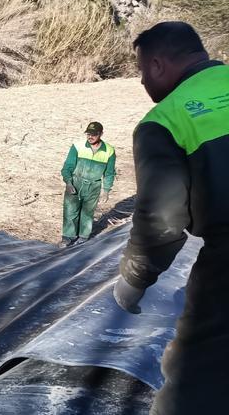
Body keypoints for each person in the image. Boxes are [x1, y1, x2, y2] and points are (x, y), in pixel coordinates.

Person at [112, 21, 229, 414]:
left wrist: (134, 279)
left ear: (159, 65)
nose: (143, 81)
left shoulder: (165, 119)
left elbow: (162, 219)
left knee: (196, 377)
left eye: (142, 71)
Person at [59, 121, 116, 248]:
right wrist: (68, 182)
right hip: (75, 182)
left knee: (87, 212)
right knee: (70, 211)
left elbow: (110, 173)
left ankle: (83, 237)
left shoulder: (109, 151)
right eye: (88, 134)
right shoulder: (77, 146)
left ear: (101, 134)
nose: (90, 137)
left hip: (93, 186)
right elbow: (67, 167)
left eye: (94, 134)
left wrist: (106, 190)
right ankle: (68, 237)